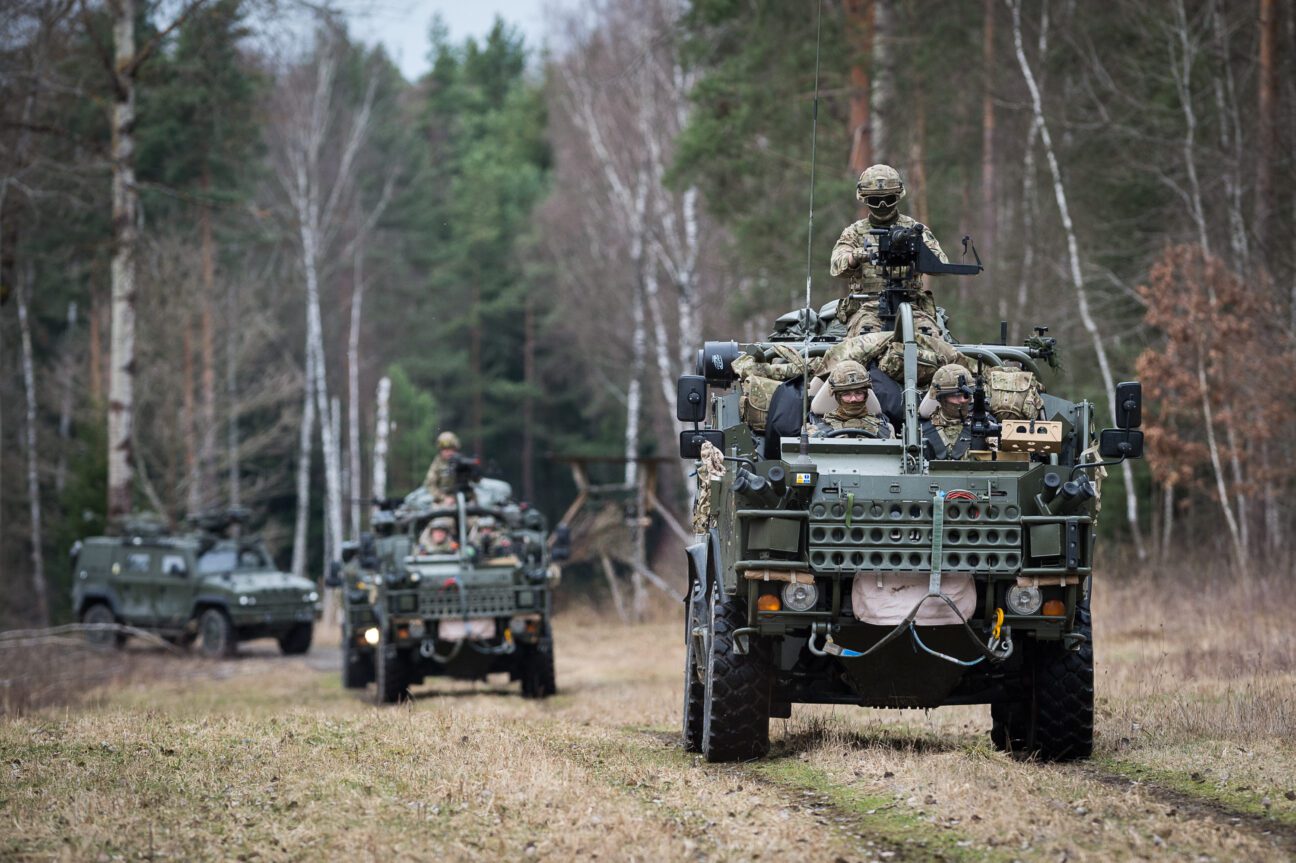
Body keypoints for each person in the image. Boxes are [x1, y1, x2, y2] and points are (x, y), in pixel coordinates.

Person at [829, 164, 949, 336]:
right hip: (867, 308)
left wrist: (917, 253)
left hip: (912, 307)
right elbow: (836, 264)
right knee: (866, 340)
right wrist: (854, 257)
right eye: (875, 201)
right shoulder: (854, 232)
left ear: (898, 197)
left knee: (928, 339)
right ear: (865, 199)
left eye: (888, 199)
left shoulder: (915, 229)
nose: (882, 205)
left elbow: (941, 263)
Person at [807, 361, 892, 438]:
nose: (853, 399)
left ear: (866, 394)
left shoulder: (885, 431)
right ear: (837, 397)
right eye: (846, 394)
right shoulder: (816, 431)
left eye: (859, 393)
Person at [920, 363, 987, 460]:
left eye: (966, 395)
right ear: (941, 398)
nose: (963, 400)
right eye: (956, 395)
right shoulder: (922, 432)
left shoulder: (984, 427)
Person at [424, 431, 461, 499]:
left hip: (461, 496)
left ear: (455, 449)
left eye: (451, 448)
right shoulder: (437, 463)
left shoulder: (461, 461)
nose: (448, 452)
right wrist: (443, 498)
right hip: (443, 497)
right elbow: (430, 484)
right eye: (445, 449)